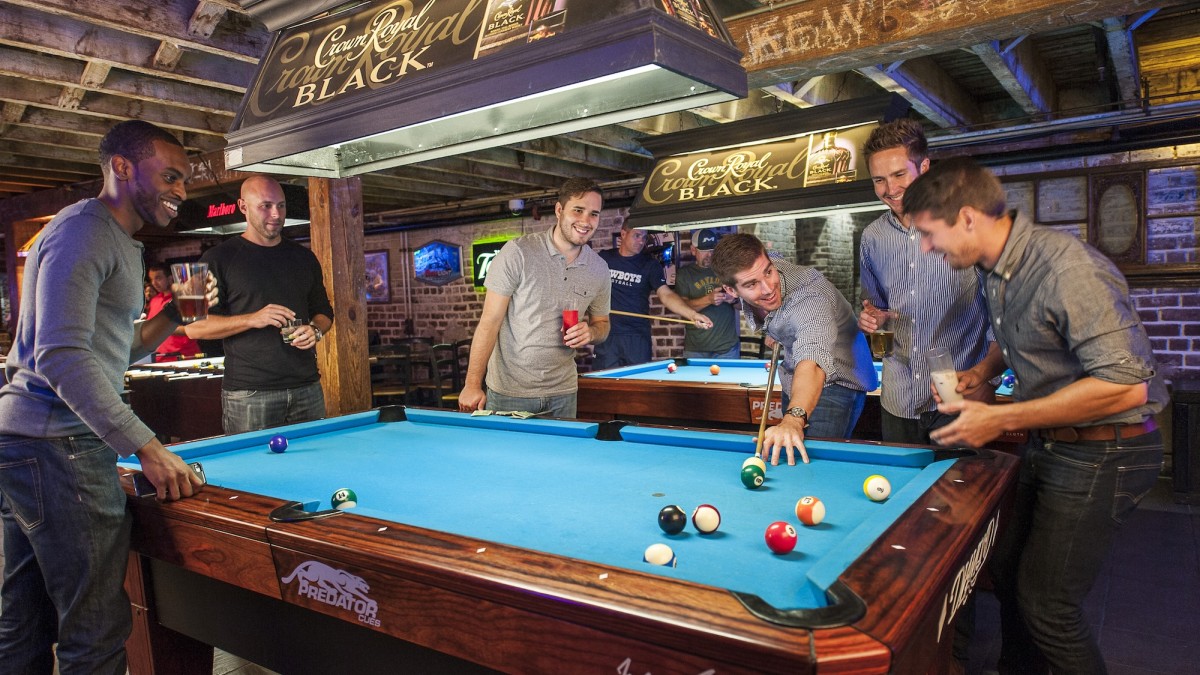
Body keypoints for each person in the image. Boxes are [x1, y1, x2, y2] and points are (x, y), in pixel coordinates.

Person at [904, 157, 1167, 674]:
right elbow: (1018, 331)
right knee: (1006, 570)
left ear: (968, 219)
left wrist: (1000, 418)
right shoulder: (996, 268)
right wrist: (982, 371)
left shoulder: (1066, 268)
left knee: (1050, 606)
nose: (927, 248)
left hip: (1110, 447)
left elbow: (1126, 386)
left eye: (930, 235)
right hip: (1056, 442)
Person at [0, 120, 205, 673]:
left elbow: (109, 349)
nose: (181, 191)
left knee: (25, 622)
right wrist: (146, 445)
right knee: (94, 630)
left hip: (33, 444)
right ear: (121, 167)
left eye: (184, 180)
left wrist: (171, 320)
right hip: (58, 445)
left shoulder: (118, 242)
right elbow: (61, 355)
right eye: (170, 176)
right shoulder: (84, 231)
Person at [857, 119, 1002, 444]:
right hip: (899, 396)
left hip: (957, 393)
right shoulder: (872, 237)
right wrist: (873, 320)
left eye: (899, 175)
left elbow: (1002, 317)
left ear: (924, 167)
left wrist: (987, 381)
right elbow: (876, 311)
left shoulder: (965, 225)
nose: (890, 189)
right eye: (879, 179)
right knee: (903, 494)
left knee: (961, 493)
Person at [184, 175, 334, 434]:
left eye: (281, 205)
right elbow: (192, 328)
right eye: (265, 205)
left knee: (313, 470)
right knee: (251, 473)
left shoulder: (305, 257)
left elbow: (325, 312)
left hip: (307, 387)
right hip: (249, 394)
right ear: (243, 207)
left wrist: (316, 330)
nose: (276, 214)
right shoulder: (212, 258)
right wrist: (253, 318)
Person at [711, 234, 877, 465]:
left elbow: (813, 360)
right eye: (752, 284)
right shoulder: (762, 266)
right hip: (793, 376)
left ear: (768, 262)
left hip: (838, 381)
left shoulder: (810, 300)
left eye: (769, 272)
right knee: (789, 451)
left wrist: (793, 419)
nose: (768, 288)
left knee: (812, 464)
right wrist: (776, 330)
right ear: (730, 290)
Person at [458, 178, 611, 418]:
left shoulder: (599, 269)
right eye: (578, 210)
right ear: (559, 211)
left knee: (561, 457)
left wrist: (591, 333)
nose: (586, 221)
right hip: (510, 392)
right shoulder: (518, 252)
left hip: (564, 392)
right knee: (507, 457)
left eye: (594, 214)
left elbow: (603, 324)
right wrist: (472, 384)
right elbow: (490, 322)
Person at [593, 222, 711, 369]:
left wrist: (692, 315)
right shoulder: (604, 259)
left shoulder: (650, 264)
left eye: (644, 237)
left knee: (638, 386)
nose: (641, 241)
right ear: (623, 234)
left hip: (637, 336)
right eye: (637, 236)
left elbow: (666, 294)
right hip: (606, 333)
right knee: (603, 385)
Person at [674, 228, 742, 359]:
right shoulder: (685, 274)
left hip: (726, 348)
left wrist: (732, 299)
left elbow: (743, 306)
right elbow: (682, 309)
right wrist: (708, 299)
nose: (710, 255)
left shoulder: (726, 270)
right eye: (704, 251)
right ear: (693, 250)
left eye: (712, 250)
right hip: (696, 349)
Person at [145, 263, 202, 361]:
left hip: (185, 358)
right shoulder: (155, 301)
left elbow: (197, 328)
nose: (154, 283)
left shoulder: (185, 300)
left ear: (170, 278)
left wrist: (162, 327)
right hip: (159, 359)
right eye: (151, 279)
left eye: (158, 278)